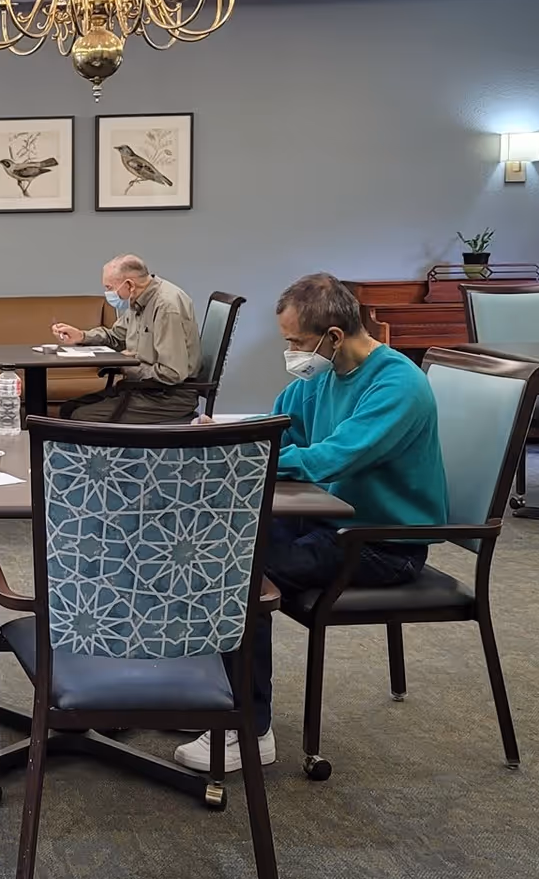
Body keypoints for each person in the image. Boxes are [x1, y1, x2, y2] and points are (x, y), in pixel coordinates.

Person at [175, 273, 448, 773]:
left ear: (334, 337)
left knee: (239, 571)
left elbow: (333, 458)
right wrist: (230, 432)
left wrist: (248, 455)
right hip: (324, 522)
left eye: (296, 342)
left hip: (380, 543)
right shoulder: (323, 374)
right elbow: (279, 425)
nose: (291, 352)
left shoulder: (397, 385)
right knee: (215, 542)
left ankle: (248, 730)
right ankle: (212, 696)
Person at [52, 254, 201, 423]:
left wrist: (128, 366)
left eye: (109, 287)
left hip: (168, 396)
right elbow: (116, 336)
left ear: (129, 285)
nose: (108, 294)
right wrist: (82, 336)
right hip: (142, 388)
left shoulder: (166, 307)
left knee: (80, 417)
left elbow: (172, 373)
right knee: (69, 408)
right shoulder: (137, 300)